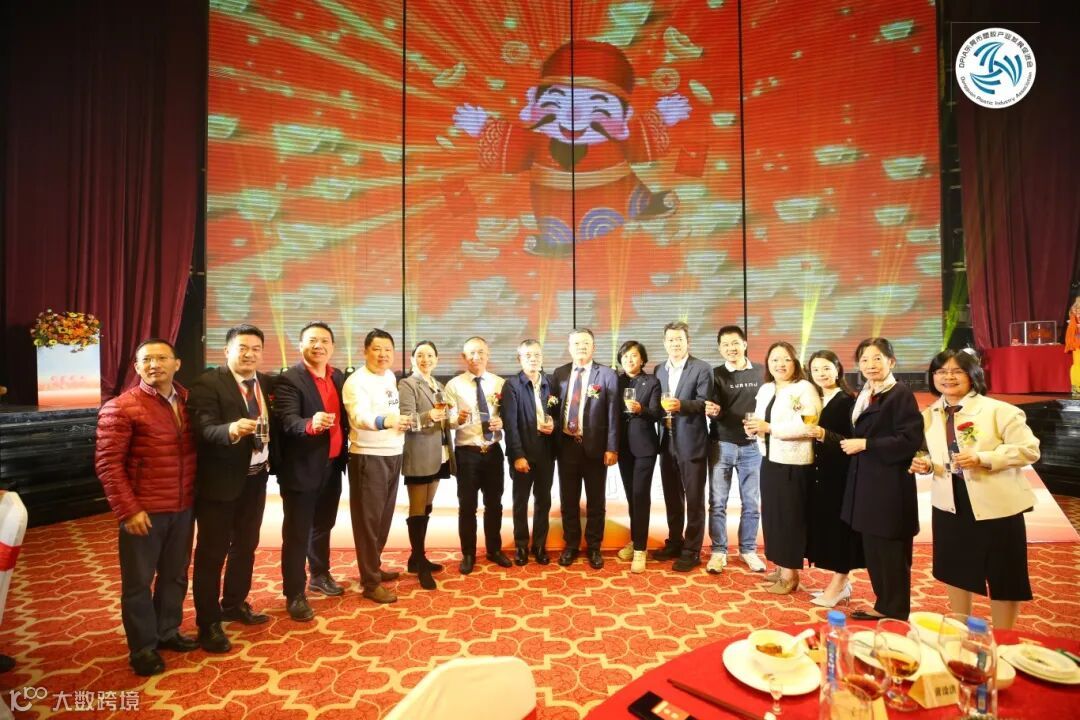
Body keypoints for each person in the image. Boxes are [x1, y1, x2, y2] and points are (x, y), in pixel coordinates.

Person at [910, 349, 1040, 629]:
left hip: (996, 504)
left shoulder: (999, 410)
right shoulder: (929, 415)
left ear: (973, 375)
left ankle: (1004, 638)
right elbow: (932, 454)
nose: (948, 377)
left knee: (1005, 574)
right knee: (955, 569)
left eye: (956, 371)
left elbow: (1029, 450)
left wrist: (983, 458)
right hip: (950, 502)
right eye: (941, 372)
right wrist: (927, 464)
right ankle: (960, 630)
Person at [95, 339, 197, 675]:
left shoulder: (189, 401)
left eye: (162, 358)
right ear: (137, 367)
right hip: (144, 510)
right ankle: (142, 647)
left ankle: (167, 630)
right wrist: (128, 510)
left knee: (175, 574)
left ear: (177, 364)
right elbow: (108, 465)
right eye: (147, 360)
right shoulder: (121, 407)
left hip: (183, 506)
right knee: (138, 582)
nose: (155, 365)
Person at [188, 324, 275, 653]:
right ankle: (208, 622)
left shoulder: (265, 383)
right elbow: (203, 429)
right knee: (212, 553)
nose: (250, 354)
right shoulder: (208, 383)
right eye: (243, 348)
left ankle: (234, 603)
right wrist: (231, 430)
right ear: (227, 351)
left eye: (256, 348)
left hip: (256, 477)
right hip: (220, 483)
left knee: (246, 545)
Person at [839, 337, 923, 620]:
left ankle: (895, 609)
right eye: (864, 359)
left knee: (891, 550)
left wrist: (866, 444)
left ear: (891, 362)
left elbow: (909, 440)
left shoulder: (900, 394)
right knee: (875, 548)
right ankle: (884, 605)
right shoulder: (866, 393)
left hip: (890, 485)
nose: (870, 365)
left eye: (877, 358)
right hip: (868, 483)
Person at [272, 322, 349, 622]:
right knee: (296, 533)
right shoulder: (290, 379)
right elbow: (287, 419)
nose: (319, 346)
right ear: (301, 345)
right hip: (301, 468)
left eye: (325, 341)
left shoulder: (337, 376)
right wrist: (310, 424)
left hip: (332, 465)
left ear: (332, 346)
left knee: (323, 525)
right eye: (313, 340)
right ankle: (294, 593)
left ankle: (319, 574)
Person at [744, 342, 820, 594]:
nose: (780, 364)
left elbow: (808, 426)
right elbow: (759, 420)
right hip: (770, 459)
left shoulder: (804, 388)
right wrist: (754, 429)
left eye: (786, 359)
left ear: (795, 362)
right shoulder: (766, 388)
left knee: (789, 519)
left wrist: (770, 429)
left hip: (794, 462)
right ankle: (780, 566)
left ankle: (790, 575)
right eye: (774, 359)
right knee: (773, 517)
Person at [341, 329, 410, 603]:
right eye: (377, 349)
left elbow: (393, 410)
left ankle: (373, 567)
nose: (383, 355)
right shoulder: (355, 382)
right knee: (368, 522)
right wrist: (386, 422)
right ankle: (370, 583)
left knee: (383, 518)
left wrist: (400, 421)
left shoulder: (390, 376)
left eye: (387, 350)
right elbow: (359, 416)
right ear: (365, 351)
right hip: (369, 456)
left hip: (393, 452)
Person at [551, 328, 620, 569]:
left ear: (594, 347)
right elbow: (553, 409)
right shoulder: (559, 373)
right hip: (566, 446)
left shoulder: (607, 374)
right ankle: (571, 544)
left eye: (586, 343)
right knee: (568, 500)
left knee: (596, 501)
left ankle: (594, 546)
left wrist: (612, 447)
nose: (581, 347)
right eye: (577, 343)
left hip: (595, 448)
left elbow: (613, 414)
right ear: (569, 347)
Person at [444, 336, 511, 574]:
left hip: (493, 452)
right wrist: (457, 419)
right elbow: (447, 421)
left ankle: (494, 549)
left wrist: (502, 422)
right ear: (463, 357)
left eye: (480, 352)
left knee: (494, 504)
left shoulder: (500, 383)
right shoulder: (453, 385)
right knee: (467, 506)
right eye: (471, 353)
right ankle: (468, 554)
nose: (476, 357)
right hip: (467, 453)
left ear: (487, 354)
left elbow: (509, 416)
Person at [704, 325, 766, 575]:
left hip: (752, 446)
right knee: (717, 502)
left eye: (735, 343)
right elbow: (712, 408)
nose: (731, 348)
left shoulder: (762, 372)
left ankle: (748, 549)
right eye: (726, 344)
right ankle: (718, 550)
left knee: (751, 502)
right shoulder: (714, 374)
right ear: (720, 349)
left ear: (745, 344)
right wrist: (713, 412)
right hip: (722, 444)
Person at [804, 350, 863, 607]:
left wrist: (823, 434)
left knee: (842, 531)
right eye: (816, 369)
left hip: (841, 474)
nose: (821, 374)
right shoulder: (814, 399)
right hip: (820, 473)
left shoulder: (848, 401)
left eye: (826, 368)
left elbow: (853, 441)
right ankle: (840, 584)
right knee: (827, 527)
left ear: (838, 369)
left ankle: (840, 584)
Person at [652, 321, 712, 572]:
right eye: (670, 340)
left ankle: (692, 550)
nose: (675, 344)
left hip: (692, 441)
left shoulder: (702, 368)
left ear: (688, 341)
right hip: (666, 441)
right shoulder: (659, 369)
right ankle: (675, 542)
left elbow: (705, 402)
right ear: (664, 343)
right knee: (672, 496)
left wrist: (681, 405)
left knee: (695, 499)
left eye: (679, 339)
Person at [398, 340, 454, 589]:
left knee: (427, 506)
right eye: (420, 355)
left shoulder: (438, 385)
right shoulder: (407, 384)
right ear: (412, 359)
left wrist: (454, 417)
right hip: (419, 452)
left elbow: (444, 419)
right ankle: (420, 563)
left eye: (430, 355)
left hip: (438, 452)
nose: (425, 360)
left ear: (437, 359)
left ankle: (416, 557)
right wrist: (429, 415)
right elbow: (407, 418)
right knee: (418, 508)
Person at [501, 339, 557, 566]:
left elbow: (558, 413)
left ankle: (540, 545)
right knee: (521, 502)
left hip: (546, 452)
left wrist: (553, 424)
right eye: (528, 356)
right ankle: (521, 546)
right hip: (523, 452)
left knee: (543, 501)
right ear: (519, 359)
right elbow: (510, 424)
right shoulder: (512, 385)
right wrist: (517, 455)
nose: (533, 359)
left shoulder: (551, 383)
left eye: (536, 355)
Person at [615, 340, 662, 573]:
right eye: (625, 357)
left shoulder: (652, 381)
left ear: (642, 359)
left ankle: (641, 550)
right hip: (623, 447)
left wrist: (640, 409)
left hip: (644, 448)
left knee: (641, 496)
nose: (629, 360)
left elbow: (657, 413)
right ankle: (635, 541)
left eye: (633, 356)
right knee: (631, 497)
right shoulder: (616, 381)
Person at [1067, 294, 1080, 397]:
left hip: (1076, 342)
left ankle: (1076, 390)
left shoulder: (1073, 312)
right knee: (1077, 366)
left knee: (1077, 366)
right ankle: (1076, 389)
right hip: (1077, 341)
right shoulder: (1075, 313)